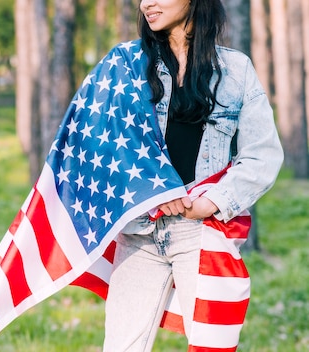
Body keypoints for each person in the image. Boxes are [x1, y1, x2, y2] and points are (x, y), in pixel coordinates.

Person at [102, 0, 284, 351]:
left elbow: (262, 153)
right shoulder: (129, 66)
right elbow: (105, 143)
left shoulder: (236, 70)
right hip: (139, 232)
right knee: (121, 346)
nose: (145, 4)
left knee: (210, 346)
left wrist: (212, 202)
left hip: (200, 232)